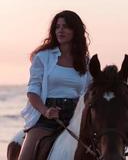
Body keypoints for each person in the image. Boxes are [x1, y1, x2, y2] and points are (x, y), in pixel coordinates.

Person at [18, 10, 92, 160]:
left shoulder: (85, 62)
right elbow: (33, 91)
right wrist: (46, 111)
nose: (60, 30)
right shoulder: (43, 57)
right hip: (47, 118)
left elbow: (91, 91)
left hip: (76, 118)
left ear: (75, 31)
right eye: (57, 27)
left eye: (65, 26)